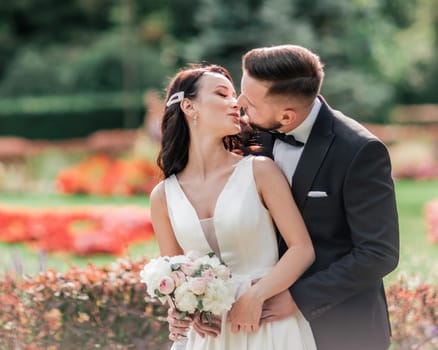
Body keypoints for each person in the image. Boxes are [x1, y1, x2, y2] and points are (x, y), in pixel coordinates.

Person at [170, 45, 400, 350]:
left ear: (287, 116)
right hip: (254, 328)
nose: (238, 105)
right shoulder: (250, 134)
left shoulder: (359, 151)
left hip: (340, 326)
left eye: (248, 101)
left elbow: (378, 253)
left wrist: (297, 298)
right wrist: (188, 303)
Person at [149, 64, 317, 349]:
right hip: (208, 337)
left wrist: (255, 296)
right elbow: (175, 272)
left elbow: (302, 249)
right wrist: (184, 310)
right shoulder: (163, 196)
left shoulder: (260, 171)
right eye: (221, 94)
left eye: (234, 95)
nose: (235, 102)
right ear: (190, 107)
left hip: (268, 323)